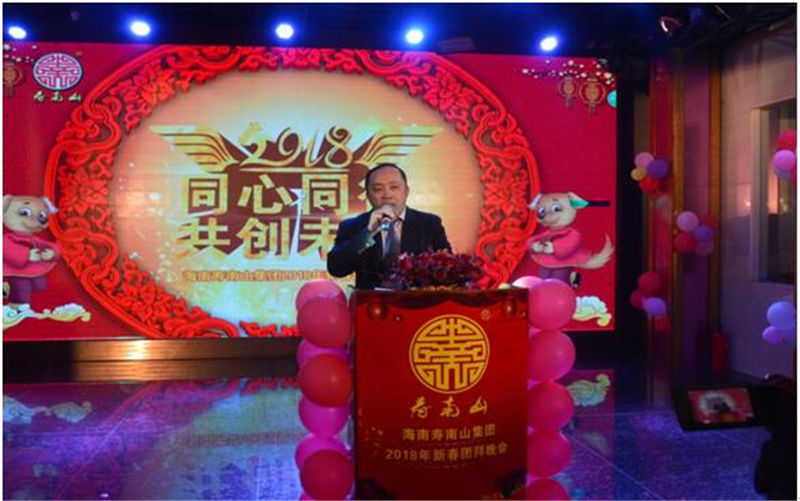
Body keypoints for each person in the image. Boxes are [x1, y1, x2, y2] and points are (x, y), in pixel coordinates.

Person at [327, 163, 451, 289]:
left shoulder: (429, 224)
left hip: (417, 300)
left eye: (394, 187)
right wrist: (368, 232)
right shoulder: (353, 226)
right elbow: (336, 269)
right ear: (368, 196)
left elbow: (449, 271)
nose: (387, 195)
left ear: (406, 191)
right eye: (378, 189)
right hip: (371, 300)